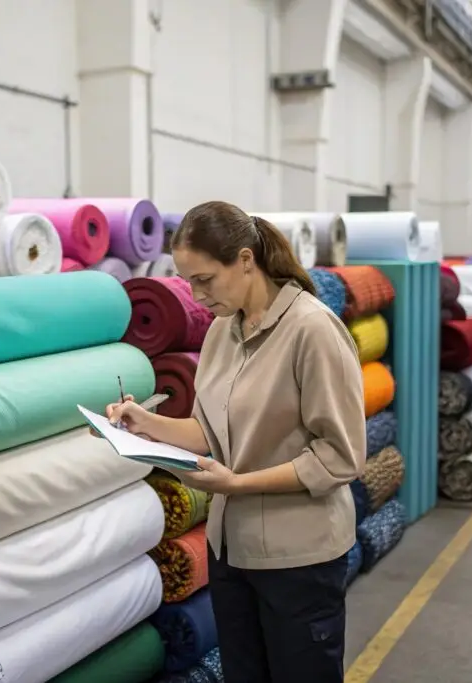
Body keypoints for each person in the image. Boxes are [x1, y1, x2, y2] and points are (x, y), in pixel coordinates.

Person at [106, 200, 366, 683]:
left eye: (205, 280)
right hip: (232, 553)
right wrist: (146, 423)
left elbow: (340, 456)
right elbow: (209, 429)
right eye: (188, 282)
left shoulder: (311, 330)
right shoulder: (223, 331)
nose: (197, 295)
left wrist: (238, 484)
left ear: (246, 260)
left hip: (298, 560)